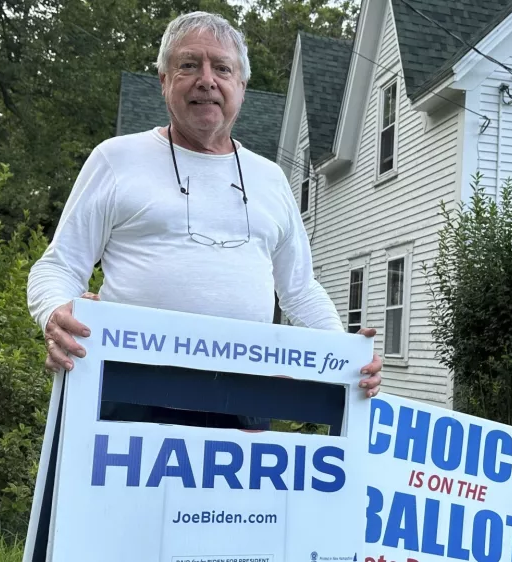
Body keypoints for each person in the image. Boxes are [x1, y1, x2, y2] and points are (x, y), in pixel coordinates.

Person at [26, 11, 382, 428]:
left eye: (222, 68)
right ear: (164, 80)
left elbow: (299, 290)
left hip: (244, 400)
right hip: (126, 394)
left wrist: (346, 355)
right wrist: (56, 315)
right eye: (189, 65)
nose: (207, 79)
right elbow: (59, 267)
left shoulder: (270, 179)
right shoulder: (115, 159)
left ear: (242, 88)